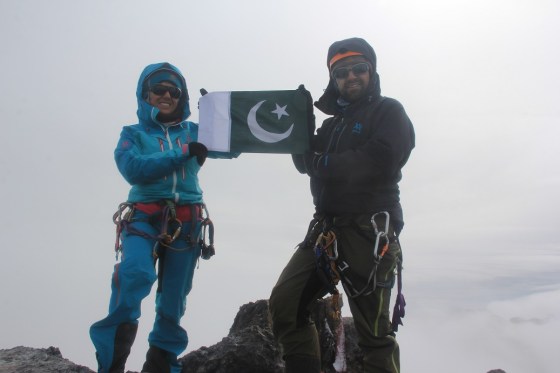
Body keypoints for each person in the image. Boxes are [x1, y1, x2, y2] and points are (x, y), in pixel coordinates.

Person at [269, 37, 415, 373]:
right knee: (287, 304)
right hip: (326, 230)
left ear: (371, 71)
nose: (351, 77)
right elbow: (305, 161)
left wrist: (323, 164)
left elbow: (383, 158)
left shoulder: (388, 111)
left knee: (375, 335)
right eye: (341, 73)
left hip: (369, 231)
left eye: (358, 69)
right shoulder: (333, 124)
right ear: (333, 80)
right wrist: (301, 128)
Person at [90, 62, 236, 373]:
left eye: (174, 91)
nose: (167, 95)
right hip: (144, 218)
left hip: (188, 222)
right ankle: (111, 366)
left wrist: (218, 117)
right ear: (145, 95)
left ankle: (159, 366)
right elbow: (133, 169)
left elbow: (234, 146)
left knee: (173, 300)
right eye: (159, 90)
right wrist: (183, 152)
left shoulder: (197, 131)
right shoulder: (132, 134)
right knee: (133, 274)